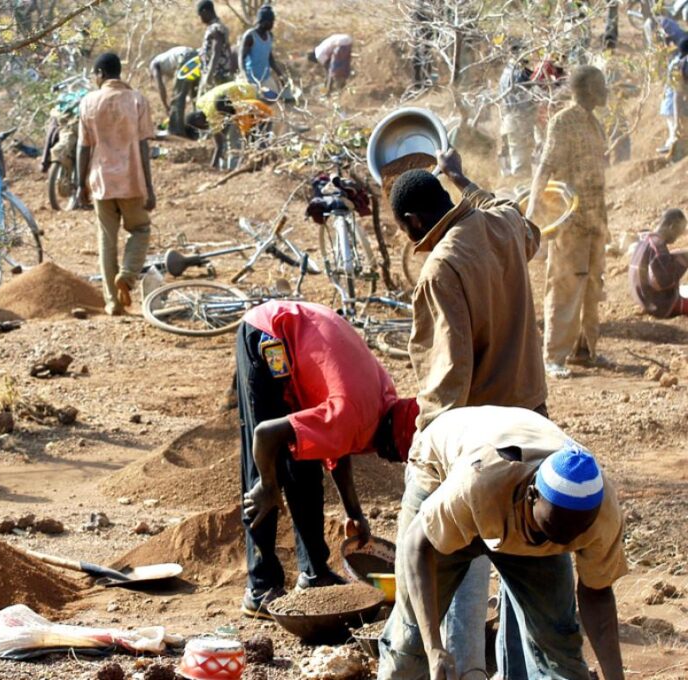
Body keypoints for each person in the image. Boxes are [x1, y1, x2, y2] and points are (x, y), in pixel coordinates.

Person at [388, 149, 547, 676]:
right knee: (528, 577)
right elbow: (516, 216)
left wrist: (424, 456)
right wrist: (461, 177)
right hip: (536, 429)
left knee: (437, 563)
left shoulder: (442, 269)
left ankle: (456, 668)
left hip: (479, 444)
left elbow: (446, 384)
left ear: (414, 222)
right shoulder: (502, 226)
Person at [378, 406, 626, 680]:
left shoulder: (600, 513)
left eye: (575, 536)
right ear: (532, 495)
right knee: (411, 639)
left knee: (557, 641)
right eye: (552, 530)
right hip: (444, 472)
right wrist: (433, 647)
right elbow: (417, 544)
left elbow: (597, 593)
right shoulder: (476, 484)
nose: (564, 540)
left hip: (514, 499)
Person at [236, 300, 418, 618]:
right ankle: (260, 586)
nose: (391, 461)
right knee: (267, 467)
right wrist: (268, 484)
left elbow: (337, 444)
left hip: (303, 342)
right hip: (269, 333)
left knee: (306, 456)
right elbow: (264, 434)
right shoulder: (353, 412)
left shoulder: (383, 397)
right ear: (391, 448)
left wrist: (354, 513)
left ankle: (314, 573)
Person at [527, 65, 610, 379]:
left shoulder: (594, 124)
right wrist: (532, 210)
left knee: (592, 286)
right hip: (570, 222)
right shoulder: (563, 122)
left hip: (595, 220)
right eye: (601, 85)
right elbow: (545, 166)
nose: (606, 91)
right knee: (565, 286)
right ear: (587, 89)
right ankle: (554, 357)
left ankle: (584, 350)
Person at [76, 53, 156, 316]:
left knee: (106, 240)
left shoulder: (88, 102)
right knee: (140, 229)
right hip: (131, 180)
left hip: (101, 182)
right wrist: (149, 187)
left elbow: (83, 147)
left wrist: (79, 185)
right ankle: (128, 275)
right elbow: (143, 146)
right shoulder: (137, 100)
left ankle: (112, 302)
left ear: (100, 74)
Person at [187, 81, 273, 170]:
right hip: (243, 88)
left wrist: (213, 166)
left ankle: (235, 166)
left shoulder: (213, 114)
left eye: (200, 126)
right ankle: (245, 163)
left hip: (247, 95)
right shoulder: (200, 103)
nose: (203, 127)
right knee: (248, 136)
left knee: (235, 138)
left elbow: (219, 144)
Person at [629, 208, 688, 318]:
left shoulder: (645, 239)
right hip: (658, 305)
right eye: (678, 233)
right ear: (672, 227)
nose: (677, 238)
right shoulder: (658, 246)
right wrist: (683, 262)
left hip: (642, 298)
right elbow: (663, 282)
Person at [498, 45, 536, 178]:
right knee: (520, 163)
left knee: (514, 155)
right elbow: (527, 99)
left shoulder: (506, 72)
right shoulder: (519, 74)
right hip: (519, 119)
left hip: (509, 118)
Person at [239, 5, 285, 93]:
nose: (272, 24)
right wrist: (244, 76)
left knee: (274, 97)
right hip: (251, 79)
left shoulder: (269, 36)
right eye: (271, 22)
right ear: (263, 22)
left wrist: (280, 75)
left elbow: (270, 58)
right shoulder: (250, 36)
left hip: (265, 78)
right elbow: (241, 59)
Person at [197, 0, 234, 91]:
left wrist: (209, 76)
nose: (200, 19)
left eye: (200, 15)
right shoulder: (216, 27)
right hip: (215, 74)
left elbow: (216, 53)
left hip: (217, 76)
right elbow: (228, 49)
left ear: (205, 12)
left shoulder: (216, 29)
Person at [659, 38, 688, 155]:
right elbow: (678, 94)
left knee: (675, 130)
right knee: (675, 131)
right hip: (672, 104)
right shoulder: (681, 65)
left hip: (670, 102)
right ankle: (671, 151)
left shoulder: (677, 61)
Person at [149, 46, 197, 110]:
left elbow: (160, 86)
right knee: (194, 89)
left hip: (183, 57)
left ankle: (176, 115)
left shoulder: (153, 64)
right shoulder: (164, 61)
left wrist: (165, 105)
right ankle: (197, 110)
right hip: (193, 53)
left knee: (178, 95)